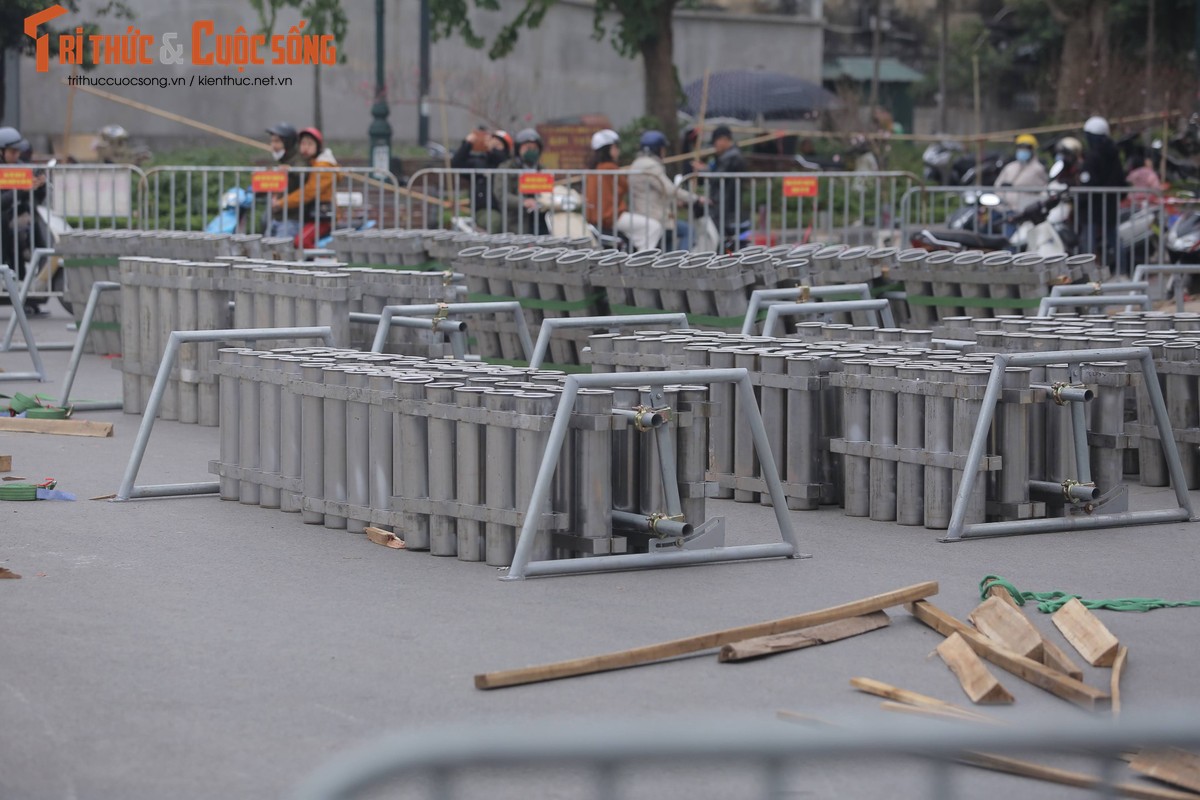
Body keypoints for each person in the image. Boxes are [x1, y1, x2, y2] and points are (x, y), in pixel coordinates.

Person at [583, 129, 662, 251]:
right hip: (611, 216)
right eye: (615, 147)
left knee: (641, 230)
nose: (617, 150)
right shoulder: (609, 168)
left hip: (598, 217)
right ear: (609, 149)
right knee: (653, 227)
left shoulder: (594, 169)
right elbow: (624, 186)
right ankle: (642, 260)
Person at [0, 126, 51, 311]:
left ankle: (35, 285)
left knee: (34, 225)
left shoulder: (22, 167)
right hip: (4, 225)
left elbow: (37, 200)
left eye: (17, 152)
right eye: (12, 151)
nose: (16, 155)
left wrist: (40, 185)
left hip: (16, 222)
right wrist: (21, 190)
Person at [628, 129, 705, 251]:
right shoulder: (650, 165)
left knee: (667, 246)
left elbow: (655, 190)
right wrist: (695, 198)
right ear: (657, 149)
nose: (664, 152)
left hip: (645, 215)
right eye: (663, 148)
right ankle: (681, 263)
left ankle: (670, 266)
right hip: (655, 218)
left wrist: (676, 201)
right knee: (688, 231)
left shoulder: (638, 163)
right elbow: (670, 189)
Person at [272, 126, 338, 248]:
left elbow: (308, 192)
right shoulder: (311, 163)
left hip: (323, 216)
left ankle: (325, 263)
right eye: (303, 143)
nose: (305, 148)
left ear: (318, 146)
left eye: (310, 144)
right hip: (312, 214)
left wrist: (281, 203)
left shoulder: (323, 167)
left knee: (301, 241)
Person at [1078, 116, 1127, 273]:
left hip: (1093, 207)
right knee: (1113, 238)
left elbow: (1087, 181)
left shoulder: (1092, 156)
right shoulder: (1114, 154)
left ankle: (1088, 274)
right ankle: (1122, 271)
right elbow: (1121, 180)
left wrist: (1080, 199)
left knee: (1088, 243)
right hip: (1109, 205)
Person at [692, 125, 747, 245]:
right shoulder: (728, 156)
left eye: (716, 141)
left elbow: (717, 177)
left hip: (725, 207)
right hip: (722, 206)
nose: (714, 146)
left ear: (724, 139)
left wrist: (702, 171)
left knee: (721, 241)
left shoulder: (732, 157)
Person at [450, 125, 510, 232]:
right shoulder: (480, 162)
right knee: (494, 221)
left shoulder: (508, 163)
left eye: (498, 145)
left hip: (510, 209)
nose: (493, 146)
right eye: (492, 142)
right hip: (486, 209)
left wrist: (493, 149)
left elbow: (503, 160)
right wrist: (467, 144)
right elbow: (457, 163)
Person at [502, 128, 549, 235]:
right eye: (527, 148)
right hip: (516, 217)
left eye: (534, 148)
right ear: (519, 149)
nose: (531, 151)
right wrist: (523, 202)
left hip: (541, 217)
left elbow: (548, 192)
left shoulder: (542, 170)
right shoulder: (507, 168)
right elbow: (502, 194)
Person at [263, 121, 306, 238]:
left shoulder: (297, 160)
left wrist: (291, 169)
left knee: (281, 254)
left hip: (291, 219)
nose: (273, 146)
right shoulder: (284, 160)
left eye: (277, 141)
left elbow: (303, 173)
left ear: (288, 142)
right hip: (277, 217)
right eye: (272, 141)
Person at [993, 133, 1048, 210]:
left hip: (1025, 210)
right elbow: (997, 186)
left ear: (1032, 150)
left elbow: (1043, 189)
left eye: (1026, 148)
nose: (1022, 151)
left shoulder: (1038, 169)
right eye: (1020, 148)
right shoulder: (1010, 167)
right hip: (1004, 209)